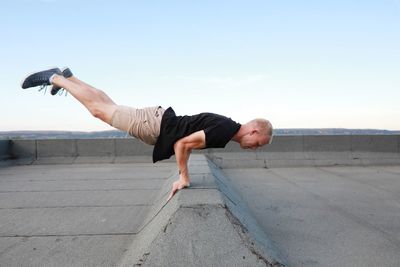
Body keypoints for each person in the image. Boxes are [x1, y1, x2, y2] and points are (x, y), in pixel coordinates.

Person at [21, 67, 274, 201]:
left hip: (158, 120)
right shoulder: (225, 131)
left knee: (108, 107)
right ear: (253, 130)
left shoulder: (227, 128)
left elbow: (186, 140)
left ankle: (70, 77)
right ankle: (56, 78)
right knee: (99, 110)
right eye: (258, 143)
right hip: (156, 125)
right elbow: (183, 144)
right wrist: (184, 177)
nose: (255, 148)